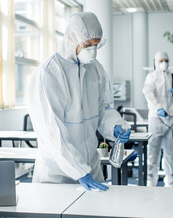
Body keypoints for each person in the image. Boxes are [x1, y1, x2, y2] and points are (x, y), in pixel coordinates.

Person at [27, 12, 131, 191]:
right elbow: (52, 131)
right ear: (71, 39)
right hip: (57, 172)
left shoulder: (95, 69)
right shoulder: (48, 74)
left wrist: (114, 125)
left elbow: (103, 108)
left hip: (91, 165)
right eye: (88, 45)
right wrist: (79, 171)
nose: (92, 51)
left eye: (96, 45)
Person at [143, 51, 173, 187]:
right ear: (156, 62)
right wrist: (157, 108)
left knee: (171, 152)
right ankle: (151, 181)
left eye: (166, 60)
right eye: (161, 60)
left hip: (172, 118)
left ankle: (171, 180)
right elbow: (148, 94)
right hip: (156, 119)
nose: (164, 63)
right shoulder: (151, 77)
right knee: (153, 152)